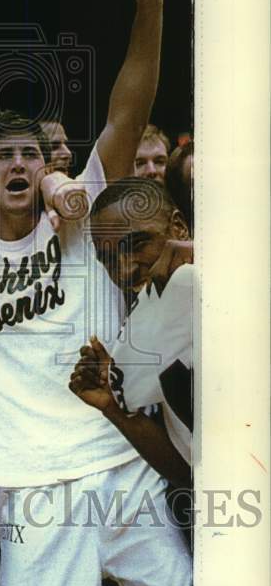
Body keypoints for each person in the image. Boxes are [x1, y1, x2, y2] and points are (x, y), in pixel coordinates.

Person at [0, 0, 193, 586]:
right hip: (30, 475)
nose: (18, 163)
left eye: (30, 152)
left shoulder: (82, 214)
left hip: (115, 453)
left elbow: (127, 107)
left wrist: (148, 2)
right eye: (2, 156)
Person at [69, 177, 194, 486]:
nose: (125, 270)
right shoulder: (142, 330)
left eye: (137, 245)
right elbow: (188, 473)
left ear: (178, 228)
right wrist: (113, 408)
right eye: (109, 260)